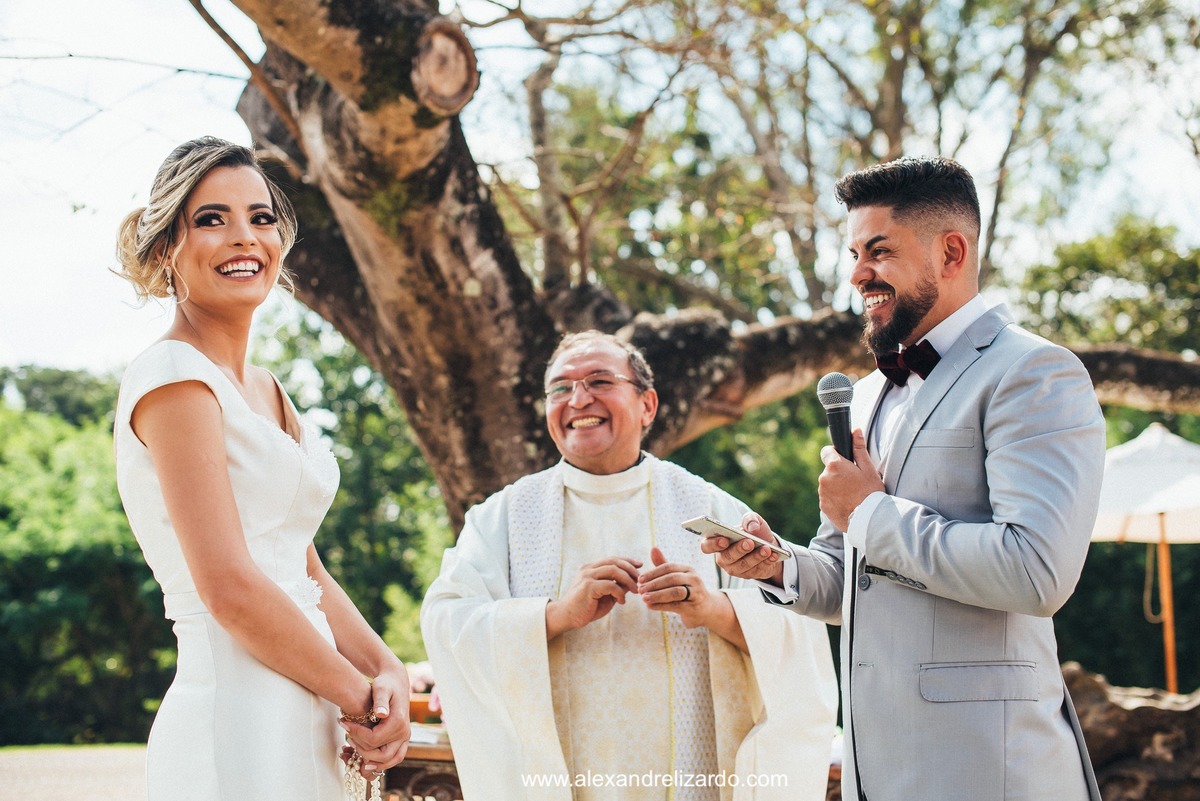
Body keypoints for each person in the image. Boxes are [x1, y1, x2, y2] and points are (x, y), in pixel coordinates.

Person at [703, 156, 1106, 801]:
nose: (858, 273)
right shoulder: (864, 397)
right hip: (876, 769)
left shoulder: (1034, 373)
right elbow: (850, 580)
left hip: (991, 771)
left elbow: (1036, 572)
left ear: (951, 251)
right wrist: (776, 567)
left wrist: (866, 513)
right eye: (855, 253)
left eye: (879, 251)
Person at [113, 136, 410, 799]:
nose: (244, 237)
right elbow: (229, 587)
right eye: (211, 219)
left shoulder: (271, 390)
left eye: (261, 217)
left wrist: (387, 672)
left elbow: (301, 565)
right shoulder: (173, 378)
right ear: (167, 247)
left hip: (310, 708)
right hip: (235, 714)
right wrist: (359, 697)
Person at [421, 331, 838, 801]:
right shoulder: (502, 518)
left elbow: (799, 633)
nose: (578, 399)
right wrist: (557, 616)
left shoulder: (712, 509)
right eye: (560, 387)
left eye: (599, 380)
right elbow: (446, 621)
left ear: (647, 405)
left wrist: (713, 608)